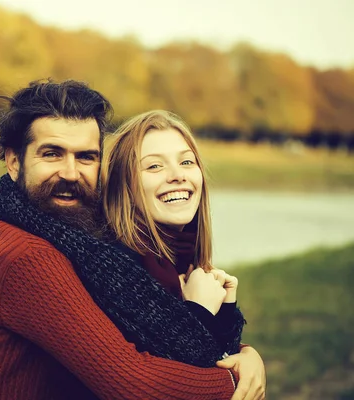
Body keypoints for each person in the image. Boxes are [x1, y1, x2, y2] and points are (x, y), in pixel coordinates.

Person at [0, 79, 266, 399]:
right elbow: (134, 385)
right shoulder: (25, 256)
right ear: (14, 162)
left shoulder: (75, 243)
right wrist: (235, 379)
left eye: (86, 157)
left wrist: (244, 353)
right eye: (52, 154)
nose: (70, 173)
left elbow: (131, 337)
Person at [103, 110, 264, 397]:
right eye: (154, 167)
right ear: (123, 186)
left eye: (186, 162)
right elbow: (164, 384)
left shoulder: (182, 262)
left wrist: (240, 344)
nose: (177, 176)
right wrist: (199, 309)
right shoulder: (114, 268)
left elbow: (213, 355)